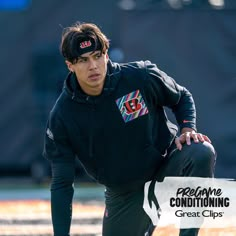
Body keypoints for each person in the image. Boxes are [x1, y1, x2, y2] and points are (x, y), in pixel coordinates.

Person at [43, 22, 216, 236]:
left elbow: (181, 97)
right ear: (70, 65)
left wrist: (187, 128)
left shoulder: (139, 77)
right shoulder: (62, 116)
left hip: (167, 165)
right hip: (126, 193)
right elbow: (62, 183)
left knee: (200, 151)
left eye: (97, 56)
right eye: (83, 60)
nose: (93, 66)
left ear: (106, 55)